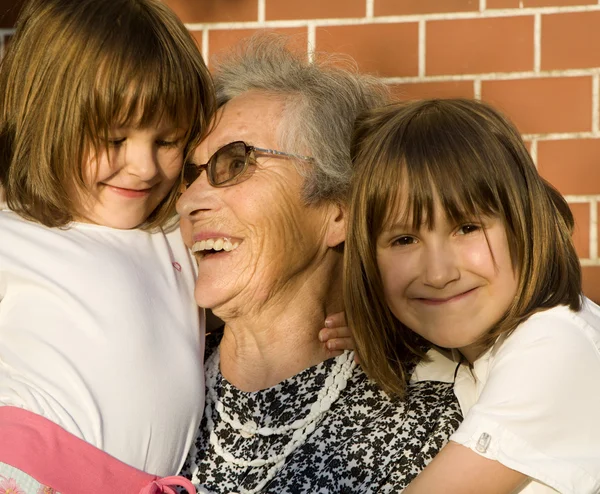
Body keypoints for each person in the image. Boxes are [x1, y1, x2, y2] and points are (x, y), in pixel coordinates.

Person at [176, 35, 463, 494]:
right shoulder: (152, 379)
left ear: (338, 210)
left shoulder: (433, 424)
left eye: (235, 163)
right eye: (190, 175)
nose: (189, 200)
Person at [0, 0, 215, 491]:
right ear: (44, 123)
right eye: (114, 139)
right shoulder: (11, 235)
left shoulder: (174, 235)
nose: (143, 166)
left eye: (168, 141)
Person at [345, 98, 600, 494]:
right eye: (404, 239)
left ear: (523, 222)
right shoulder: (472, 352)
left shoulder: (555, 343)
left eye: (466, 228)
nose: (439, 273)